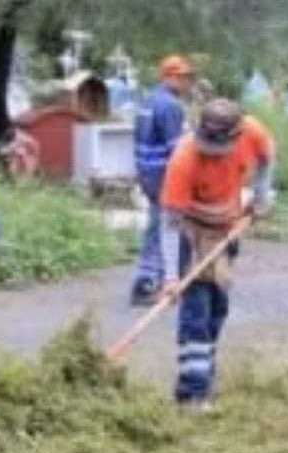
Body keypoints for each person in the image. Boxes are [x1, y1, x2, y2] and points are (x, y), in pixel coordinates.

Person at [158, 98, 276, 411]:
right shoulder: (184, 159)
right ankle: (192, 395)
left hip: (226, 231)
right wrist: (171, 276)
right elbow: (169, 223)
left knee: (217, 310)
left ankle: (203, 379)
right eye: (205, 142)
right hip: (191, 234)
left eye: (216, 144)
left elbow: (267, 157)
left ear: (236, 136)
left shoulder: (252, 132)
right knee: (196, 313)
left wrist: (262, 197)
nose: (208, 150)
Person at [129, 55, 195, 307]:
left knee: (156, 225)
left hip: (146, 171)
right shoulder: (170, 106)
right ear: (170, 76)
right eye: (184, 78)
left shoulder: (147, 100)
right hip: (164, 173)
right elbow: (177, 149)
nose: (187, 83)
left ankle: (158, 278)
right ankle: (148, 284)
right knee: (164, 227)